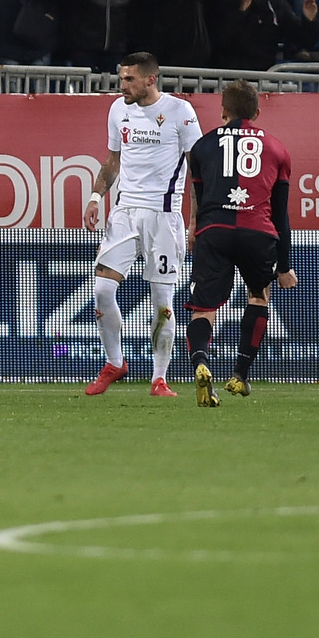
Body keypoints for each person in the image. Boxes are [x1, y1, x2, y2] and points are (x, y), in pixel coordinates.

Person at [82, 51, 202, 398]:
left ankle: (159, 379)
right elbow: (112, 161)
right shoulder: (118, 109)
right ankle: (115, 362)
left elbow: (197, 171)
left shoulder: (180, 112)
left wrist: (194, 221)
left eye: (129, 79)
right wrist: (95, 197)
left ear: (151, 79)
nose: (123, 85)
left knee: (162, 300)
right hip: (124, 212)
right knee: (102, 290)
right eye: (121, 78)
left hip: (163, 217)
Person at [184, 80, 296, 406]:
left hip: (214, 230)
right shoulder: (277, 149)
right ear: (257, 112)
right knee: (259, 297)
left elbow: (200, 199)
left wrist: (195, 230)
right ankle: (240, 375)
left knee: (203, 308)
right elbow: (281, 216)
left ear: (222, 111)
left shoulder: (203, 146)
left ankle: (201, 364)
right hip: (257, 233)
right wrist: (284, 266)